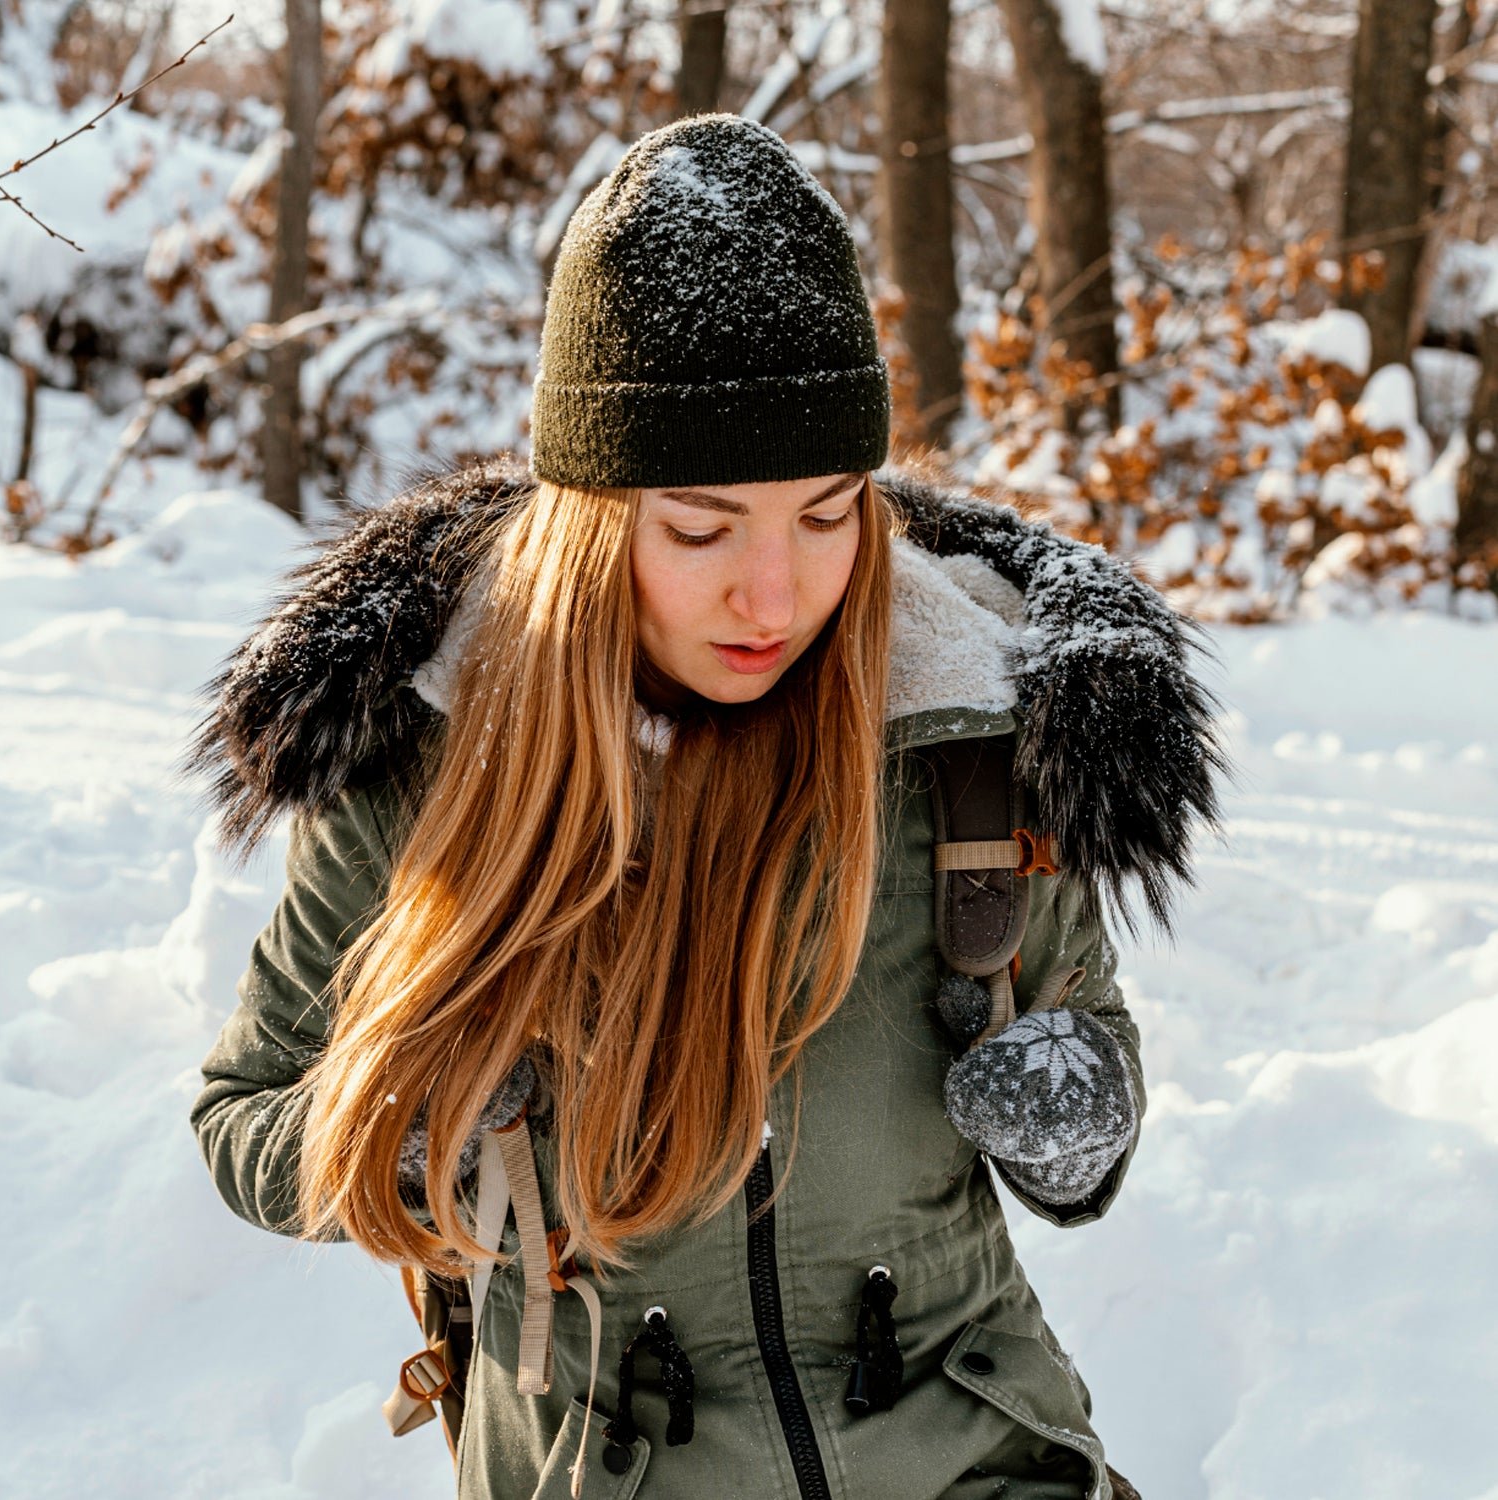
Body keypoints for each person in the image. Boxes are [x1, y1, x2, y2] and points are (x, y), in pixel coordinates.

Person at [189, 114, 1224, 1500]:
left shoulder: (971, 732)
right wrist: (413, 1141)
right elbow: (250, 1117)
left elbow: (1079, 1111)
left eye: (827, 511)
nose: (776, 594)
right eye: (699, 528)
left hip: (976, 1459)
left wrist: (1077, 1112)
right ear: (591, 515)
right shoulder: (427, 758)